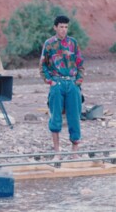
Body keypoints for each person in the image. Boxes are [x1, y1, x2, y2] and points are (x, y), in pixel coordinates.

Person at [39, 15, 84, 160]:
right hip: (57, 83)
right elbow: (43, 64)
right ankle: (57, 152)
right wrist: (49, 81)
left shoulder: (73, 43)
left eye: (66, 27)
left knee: (75, 117)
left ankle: (74, 152)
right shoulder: (49, 43)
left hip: (72, 83)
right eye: (61, 27)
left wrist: (78, 81)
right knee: (55, 117)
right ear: (55, 27)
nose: (63, 30)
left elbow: (80, 62)